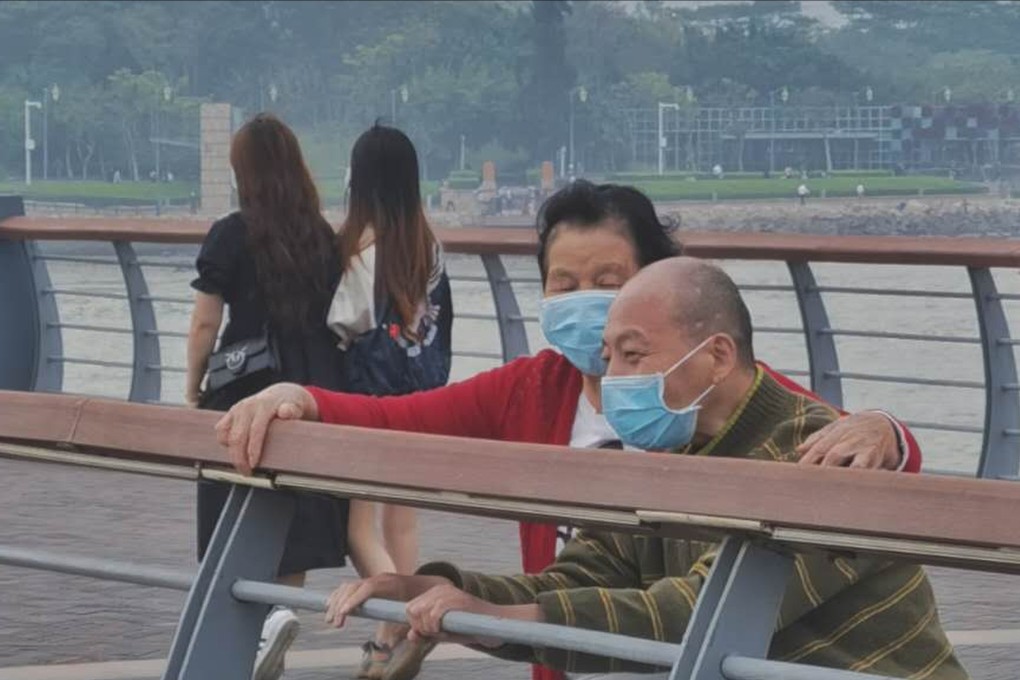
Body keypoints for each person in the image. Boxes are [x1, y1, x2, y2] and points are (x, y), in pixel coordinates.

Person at [215, 181, 923, 680]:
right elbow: (584, 569)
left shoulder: (754, 428)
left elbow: (811, 443)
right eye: (564, 283)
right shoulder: (618, 421)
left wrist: (888, 431)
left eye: (611, 281)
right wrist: (436, 590)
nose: (588, 307)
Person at [313, 257, 967, 680]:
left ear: (715, 356)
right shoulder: (667, 457)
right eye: (609, 356)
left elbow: (693, 613)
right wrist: (438, 592)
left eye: (633, 355)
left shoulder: (813, 455)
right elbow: (585, 576)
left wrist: (493, 619)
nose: (613, 378)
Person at [185, 113, 347, 680]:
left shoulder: (232, 232)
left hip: (246, 386)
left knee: (232, 499)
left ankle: (251, 632)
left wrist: (192, 386)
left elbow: (206, 322)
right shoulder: (322, 236)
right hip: (309, 387)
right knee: (295, 511)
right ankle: (278, 617)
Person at [327, 123, 453, 680]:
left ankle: (393, 629)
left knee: (357, 528)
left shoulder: (362, 247)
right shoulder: (427, 243)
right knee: (401, 521)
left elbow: (345, 323)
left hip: (369, 402)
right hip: (420, 400)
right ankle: (412, 625)